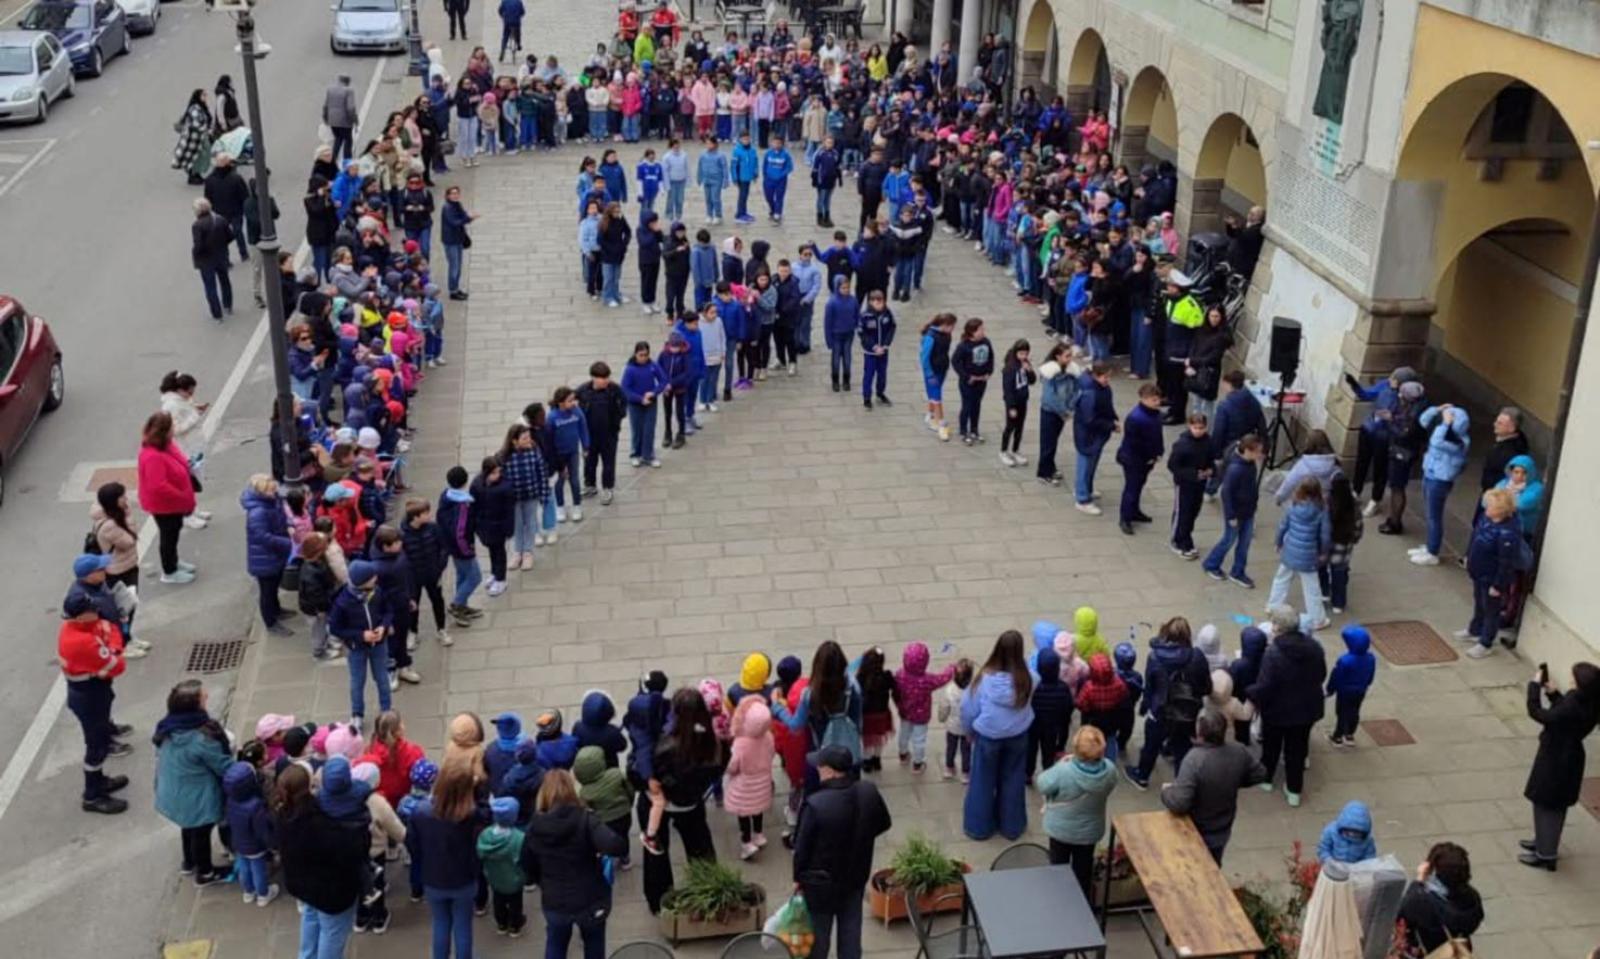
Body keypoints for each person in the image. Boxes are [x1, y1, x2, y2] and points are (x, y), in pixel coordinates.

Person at [793, 744, 892, 959]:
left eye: (820, 765)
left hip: (820, 885)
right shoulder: (868, 791)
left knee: (819, 938)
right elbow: (884, 823)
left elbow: (801, 849)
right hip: (855, 878)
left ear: (830, 770)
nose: (817, 769)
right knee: (850, 934)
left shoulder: (815, 804)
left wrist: (798, 879)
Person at [526, 769, 629, 958]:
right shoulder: (586, 819)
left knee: (555, 943)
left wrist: (542, 881)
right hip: (590, 898)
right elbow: (616, 846)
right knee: (594, 944)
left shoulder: (535, 826)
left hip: (555, 899)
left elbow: (526, 863)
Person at [639, 689, 723, 913]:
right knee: (700, 850)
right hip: (691, 803)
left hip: (661, 801)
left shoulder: (665, 746)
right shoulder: (710, 741)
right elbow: (717, 769)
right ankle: (710, 891)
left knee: (656, 851)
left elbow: (648, 773)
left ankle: (659, 900)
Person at [276, 764, 368, 958]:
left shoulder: (283, 814)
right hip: (331, 893)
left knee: (310, 917)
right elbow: (352, 851)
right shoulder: (322, 825)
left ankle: (306, 955)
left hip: (302, 885)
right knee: (332, 932)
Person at [1158, 710, 1267, 863]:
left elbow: (1180, 803)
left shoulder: (1195, 759)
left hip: (1195, 828)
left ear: (1200, 732)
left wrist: (1166, 792)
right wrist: (1234, 781)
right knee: (1214, 864)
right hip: (1222, 827)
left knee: (1190, 866)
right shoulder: (1238, 751)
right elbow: (1260, 773)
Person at [1520, 661, 1598, 870]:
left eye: (1574, 677)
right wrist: (1554, 695)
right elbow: (1566, 714)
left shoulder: (1573, 704)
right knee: (1549, 804)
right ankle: (1543, 841)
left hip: (1557, 760)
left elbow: (1540, 714)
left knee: (1547, 804)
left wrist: (1534, 687)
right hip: (1567, 756)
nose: (1571, 679)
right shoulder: (1588, 701)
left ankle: (1546, 854)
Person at [153, 680, 233, 884]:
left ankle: (189, 862)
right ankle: (205, 873)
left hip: (173, 792)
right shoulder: (201, 739)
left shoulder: (167, 729)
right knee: (201, 832)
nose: (206, 698)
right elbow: (223, 766)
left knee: (187, 826)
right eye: (203, 697)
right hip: (197, 797)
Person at [59, 592, 132, 814]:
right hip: (89, 696)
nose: (96, 613)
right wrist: (115, 650)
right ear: (79, 617)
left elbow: (110, 628)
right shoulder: (81, 641)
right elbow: (117, 665)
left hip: (92, 692)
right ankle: (92, 795)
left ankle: (99, 781)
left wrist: (111, 645)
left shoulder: (80, 629)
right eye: (90, 611)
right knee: (97, 745)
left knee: (99, 739)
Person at [1248, 605, 1328, 807]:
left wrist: (1250, 693)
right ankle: (1294, 790)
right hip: (1306, 709)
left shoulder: (1273, 653)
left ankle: (1266, 779)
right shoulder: (1314, 648)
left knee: (1272, 745)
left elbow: (1265, 685)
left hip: (1277, 710)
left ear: (1276, 627)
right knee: (1297, 748)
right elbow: (1321, 675)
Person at [405, 756, 484, 959]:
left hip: (433, 878)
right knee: (463, 926)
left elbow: (413, 845)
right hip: (464, 879)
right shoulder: (472, 815)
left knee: (440, 923)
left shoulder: (421, 813)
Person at [961, 630, 1035, 841]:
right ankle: (1012, 826)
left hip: (988, 736)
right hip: (1018, 735)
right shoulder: (1029, 678)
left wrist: (969, 731)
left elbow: (968, 708)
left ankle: (978, 827)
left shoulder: (983, 680)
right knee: (1013, 780)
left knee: (982, 781)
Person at [1124, 617, 1210, 790]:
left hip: (1160, 709)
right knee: (1183, 746)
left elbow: (1150, 687)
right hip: (1187, 711)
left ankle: (1142, 776)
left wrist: (1145, 707)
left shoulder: (1155, 657)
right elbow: (1206, 686)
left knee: (1151, 744)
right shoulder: (1197, 656)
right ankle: (1182, 783)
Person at [1036, 725, 1117, 894]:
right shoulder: (1109, 770)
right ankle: (1081, 903)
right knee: (1083, 870)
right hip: (1089, 831)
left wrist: (1060, 763)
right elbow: (1111, 785)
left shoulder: (1064, 770)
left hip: (1061, 830)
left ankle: (1059, 899)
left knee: (1058, 868)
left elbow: (1043, 784)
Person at [328, 559, 393, 724]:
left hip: (379, 645)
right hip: (357, 648)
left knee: (383, 679)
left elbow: (388, 610)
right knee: (357, 683)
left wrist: (383, 626)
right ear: (362, 582)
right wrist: (360, 635)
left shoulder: (377, 592)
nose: (376, 578)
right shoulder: (342, 603)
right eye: (372, 577)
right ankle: (357, 714)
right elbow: (335, 628)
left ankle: (386, 711)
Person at [138, 412, 198, 584]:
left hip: (173, 503)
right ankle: (169, 571)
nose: (174, 429)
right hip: (164, 505)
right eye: (171, 427)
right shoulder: (152, 456)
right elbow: (158, 486)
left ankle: (174, 562)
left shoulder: (164, 446)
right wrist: (181, 496)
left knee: (174, 533)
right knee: (169, 536)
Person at [1396, 843, 1485, 954]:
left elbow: (1401, 911)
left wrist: (1418, 880)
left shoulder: (1421, 901)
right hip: (1456, 951)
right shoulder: (1473, 898)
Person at [1411, 402, 1471, 566]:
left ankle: (1433, 552)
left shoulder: (1460, 441)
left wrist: (1446, 423)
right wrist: (1437, 410)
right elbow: (1423, 421)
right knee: (1429, 513)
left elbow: (1436, 441)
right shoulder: (1445, 431)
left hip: (1440, 480)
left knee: (1433, 516)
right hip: (1430, 473)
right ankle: (1429, 545)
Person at [1269, 477, 1332, 629]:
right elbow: (1325, 535)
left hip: (1290, 550)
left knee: (1281, 579)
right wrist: (1324, 552)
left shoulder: (1293, 506)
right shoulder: (1321, 510)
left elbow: (1283, 526)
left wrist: (1278, 542)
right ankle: (1317, 619)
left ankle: (1273, 606)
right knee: (1312, 589)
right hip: (1308, 555)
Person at [240, 474, 294, 637]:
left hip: (274, 555)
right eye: (271, 491)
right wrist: (287, 542)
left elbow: (283, 517)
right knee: (267, 592)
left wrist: (289, 525)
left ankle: (276, 610)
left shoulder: (272, 501)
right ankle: (270, 622)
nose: (274, 492)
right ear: (262, 492)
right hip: (265, 558)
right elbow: (263, 537)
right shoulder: (258, 512)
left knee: (274, 586)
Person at [1116, 383, 1165, 535]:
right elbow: (1134, 443)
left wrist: (1158, 452)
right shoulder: (1136, 418)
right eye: (1154, 400)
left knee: (1138, 485)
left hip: (1147, 458)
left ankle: (1134, 511)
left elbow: (1157, 436)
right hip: (1134, 459)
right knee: (1132, 488)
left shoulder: (1155, 414)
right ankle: (1125, 518)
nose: (1157, 403)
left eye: (1158, 400)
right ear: (1144, 399)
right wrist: (1149, 457)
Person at [1072, 362, 1118, 514]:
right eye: (1104, 377)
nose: (1107, 380)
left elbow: (1107, 406)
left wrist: (1113, 419)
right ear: (1095, 376)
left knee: (1091, 464)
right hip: (1088, 435)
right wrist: (1111, 425)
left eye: (1108, 376)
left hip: (1095, 434)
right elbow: (1089, 419)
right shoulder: (1090, 393)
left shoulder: (1101, 388)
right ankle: (1082, 498)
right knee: (1085, 465)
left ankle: (1086, 489)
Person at [1168, 412, 1215, 559]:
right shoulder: (1182, 444)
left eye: (1201, 428)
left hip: (1199, 483)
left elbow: (1210, 459)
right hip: (1184, 484)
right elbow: (1173, 465)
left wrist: (1211, 470)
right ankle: (1177, 540)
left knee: (1194, 511)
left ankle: (1186, 537)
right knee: (1183, 512)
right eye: (1195, 427)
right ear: (1190, 426)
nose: (1198, 431)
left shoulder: (1208, 441)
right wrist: (1194, 474)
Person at [1326, 625, 1376, 746]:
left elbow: (1336, 677)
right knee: (1355, 711)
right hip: (1360, 690)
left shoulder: (1345, 660)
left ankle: (1337, 736)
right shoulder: (1370, 658)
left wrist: (1330, 689)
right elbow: (1371, 674)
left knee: (1342, 713)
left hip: (1345, 692)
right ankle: (1350, 734)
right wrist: (1367, 683)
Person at [190, 197, 235, 321]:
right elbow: (230, 236)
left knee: (210, 286)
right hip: (221, 256)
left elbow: (198, 245)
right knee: (225, 281)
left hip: (206, 260)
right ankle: (228, 305)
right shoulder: (220, 219)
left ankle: (217, 313)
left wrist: (196, 254)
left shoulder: (197, 225)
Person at [203, 152, 250, 263]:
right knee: (238, 232)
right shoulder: (236, 178)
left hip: (219, 212)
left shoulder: (210, 180)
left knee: (222, 237)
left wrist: (212, 210)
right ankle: (243, 253)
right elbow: (244, 195)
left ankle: (225, 259)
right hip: (235, 211)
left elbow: (207, 197)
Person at [857, 288, 896, 410]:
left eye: (882, 302)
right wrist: (874, 347)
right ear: (870, 302)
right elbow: (863, 334)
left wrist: (885, 345)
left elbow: (892, 328)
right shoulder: (865, 316)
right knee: (869, 375)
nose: (880, 304)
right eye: (877, 302)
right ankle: (867, 398)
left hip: (883, 351)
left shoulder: (887, 313)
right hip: (870, 352)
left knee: (882, 374)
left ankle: (880, 393)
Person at [441, 185, 476, 301]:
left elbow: (463, 215)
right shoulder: (447, 208)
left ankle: (456, 288)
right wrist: (469, 218)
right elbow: (454, 222)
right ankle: (453, 291)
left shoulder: (457, 205)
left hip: (458, 239)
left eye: (457, 193)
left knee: (459, 265)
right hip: (450, 241)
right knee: (454, 266)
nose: (455, 195)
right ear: (448, 196)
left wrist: (468, 216)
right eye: (452, 193)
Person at [172, 89, 215, 185]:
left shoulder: (201, 106)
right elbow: (196, 123)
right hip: (194, 138)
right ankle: (193, 175)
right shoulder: (195, 108)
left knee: (199, 156)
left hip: (199, 137)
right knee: (196, 156)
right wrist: (206, 130)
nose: (205, 97)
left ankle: (196, 174)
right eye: (203, 95)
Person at [323, 75, 360, 164]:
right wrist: (355, 120)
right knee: (348, 140)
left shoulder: (330, 89)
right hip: (345, 121)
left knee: (338, 139)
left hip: (333, 120)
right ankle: (347, 162)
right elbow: (350, 108)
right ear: (348, 82)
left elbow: (326, 105)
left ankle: (332, 160)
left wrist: (326, 118)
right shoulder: (349, 90)